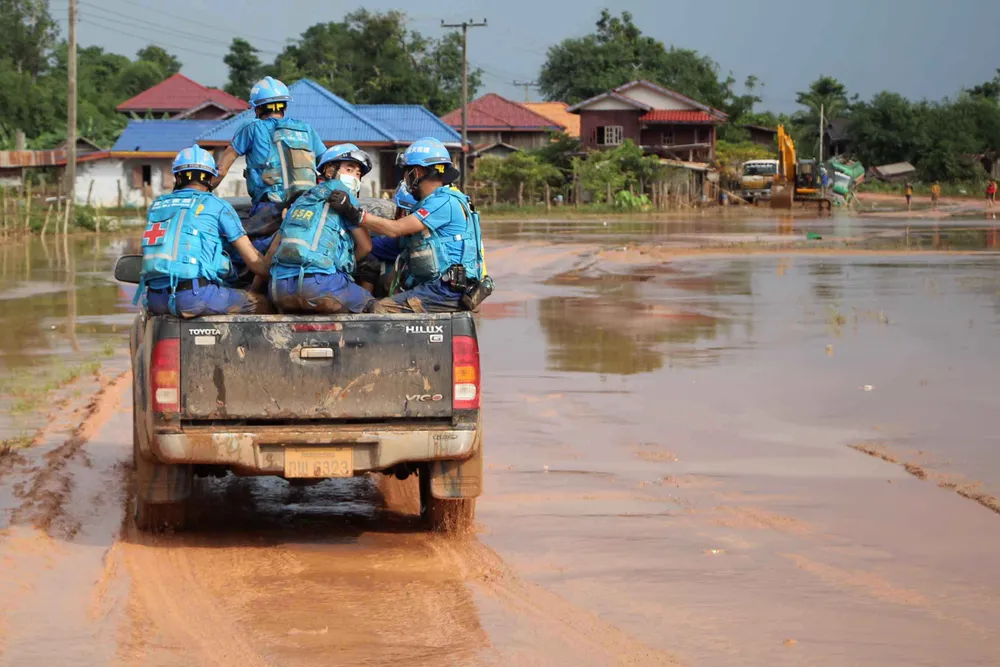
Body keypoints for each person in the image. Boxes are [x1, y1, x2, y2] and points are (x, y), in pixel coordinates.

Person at [328, 137, 488, 314]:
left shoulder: (444, 201)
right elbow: (384, 244)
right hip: (438, 288)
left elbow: (395, 228)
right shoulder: (432, 203)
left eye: (406, 172)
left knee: (377, 309)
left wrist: (354, 213)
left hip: (444, 292)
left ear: (417, 172)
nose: (405, 179)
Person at [211, 76, 328, 273]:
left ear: (257, 108)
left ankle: (244, 288)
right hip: (305, 205)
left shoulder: (251, 128)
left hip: (269, 208)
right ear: (284, 106)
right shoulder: (305, 129)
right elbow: (326, 165)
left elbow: (221, 169)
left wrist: (199, 188)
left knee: (233, 246)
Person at [138, 146, 271, 317]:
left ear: (177, 177)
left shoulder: (157, 206)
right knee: (261, 302)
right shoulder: (217, 205)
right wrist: (276, 274)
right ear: (211, 178)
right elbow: (253, 261)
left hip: (155, 300)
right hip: (194, 297)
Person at [263, 144, 376, 314]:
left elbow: (273, 250)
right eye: (349, 169)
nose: (354, 177)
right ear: (329, 170)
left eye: (358, 174)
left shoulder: (301, 200)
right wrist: (344, 266)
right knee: (370, 304)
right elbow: (366, 246)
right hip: (320, 286)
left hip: (279, 288)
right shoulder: (343, 195)